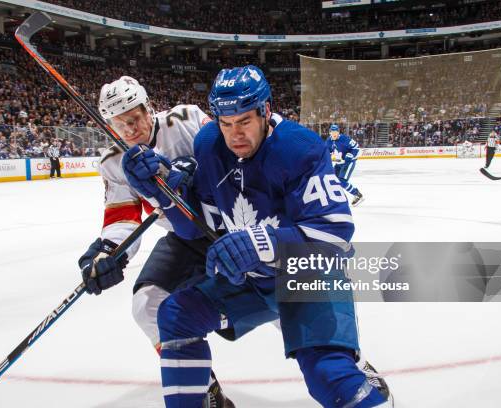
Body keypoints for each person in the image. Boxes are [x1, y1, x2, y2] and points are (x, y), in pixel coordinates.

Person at [122, 66, 392, 408]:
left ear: (265, 110)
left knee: (329, 377)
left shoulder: (300, 148)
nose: (235, 134)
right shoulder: (209, 145)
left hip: (307, 278)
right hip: (253, 281)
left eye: (244, 121)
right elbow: (195, 226)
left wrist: (259, 243)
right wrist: (163, 191)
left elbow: (334, 235)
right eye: (226, 123)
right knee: (176, 315)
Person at [76, 76, 234, 407]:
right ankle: (203, 387)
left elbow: (231, 156)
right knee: (147, 305)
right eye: (120, 124)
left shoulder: (186, 119)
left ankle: (349, 363)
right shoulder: (113, 162)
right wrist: (108, 253)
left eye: (134, 118)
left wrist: (193, 173)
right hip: (184, 236)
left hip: (233, 225)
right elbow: (122, 218)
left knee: (280, 302)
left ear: (149, 109)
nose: (130, 129)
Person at [327, 124, 364, 206]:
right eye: (332, 132)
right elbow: (327, 152)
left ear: (338, 132)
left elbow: (356, 148)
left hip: (348, 163)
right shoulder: (329, 141)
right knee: (332, 179)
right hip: (339, 163)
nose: (334, 133)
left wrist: (351, 155)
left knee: (342, 181)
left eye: (336, 131)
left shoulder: (344, 139)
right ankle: (336, 199)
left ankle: (357, 194)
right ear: (330, 132)